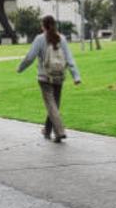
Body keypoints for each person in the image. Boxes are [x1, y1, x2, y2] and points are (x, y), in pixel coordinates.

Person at [17, 15, 81, 143]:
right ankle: (47, 130)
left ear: (43, 26)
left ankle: (60, 131)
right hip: (59, 76)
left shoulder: (40, 39)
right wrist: (76, 76)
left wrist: (20, 68)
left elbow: (30, 57)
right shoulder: (61, 38)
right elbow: (69, 58)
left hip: (45, 77)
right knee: (54, 105)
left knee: (51, 106)